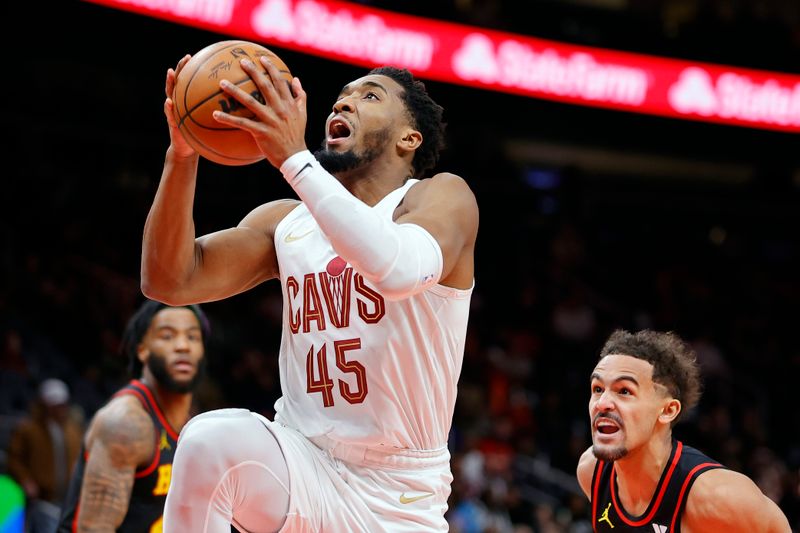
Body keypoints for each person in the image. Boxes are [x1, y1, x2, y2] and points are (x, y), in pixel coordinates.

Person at [140, 51, 478, 532]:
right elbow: (169, 280)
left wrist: (292, 159)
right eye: (340, 97)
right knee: (208, 442)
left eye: (369, 95)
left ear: (410, 137)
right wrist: (183, 155)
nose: (343, 104)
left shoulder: (440, 196)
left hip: (396, 493)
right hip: (302, 461)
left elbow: (398, 269)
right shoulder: (288, 222)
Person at [576, 329, 791, 532]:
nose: (602, 403)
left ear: (668, 410)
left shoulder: (719, 498)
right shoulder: (591, 472)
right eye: (597, 389)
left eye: (624, 391)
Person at [57, 299, 210, 532]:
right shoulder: (126, 423)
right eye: (168, 336)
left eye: (192, 337)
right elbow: (93, 528)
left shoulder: (193, 421)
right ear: (142, 349)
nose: (183, 346)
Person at [7, 378, 83, 533]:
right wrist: (26, 480)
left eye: (62, 405)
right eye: (55, 405)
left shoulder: (73, 431)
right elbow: (14, 458)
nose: (60, 409)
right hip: (40, 499)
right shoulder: (28, 429)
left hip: (67, 499)